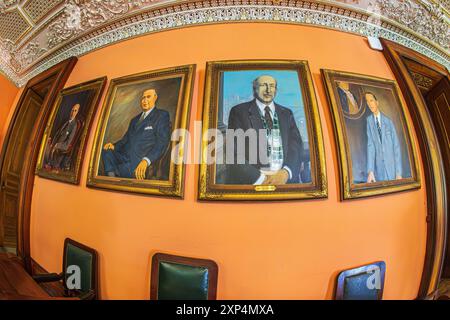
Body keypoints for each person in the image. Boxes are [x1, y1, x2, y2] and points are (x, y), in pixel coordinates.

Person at [226, 75, 304, 185]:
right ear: (254, 89)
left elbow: (296, 146)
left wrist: (286, 173)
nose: (268, 90)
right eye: (263, 85)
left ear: (276, 90)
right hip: (254, 183)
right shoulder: (238, 112)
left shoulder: (287, 113)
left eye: (272, 86)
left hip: (285, 182)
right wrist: (262, 180)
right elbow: (233, 152)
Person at [101, 88, 171, 180]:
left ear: (155, 98)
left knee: (121, 170)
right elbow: (125, 139)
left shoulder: (161, 115)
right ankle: (111, 179)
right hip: (124, 156)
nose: (145, 100)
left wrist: (146, 160)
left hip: (139, 160)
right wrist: (114, 146)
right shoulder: (134, 120)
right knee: (106, 152)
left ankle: (112, 179)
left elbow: (162, 142)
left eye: (148, 97)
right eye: (143, 98)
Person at [365, 92, 402, 183]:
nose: (369, 104)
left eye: (371, 100)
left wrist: (398, 172)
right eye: (367, 102)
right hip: (379, 171)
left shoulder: (388, 121)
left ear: (377, 102)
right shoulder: (369, 121)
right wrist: (370, 170)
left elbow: (396, 147)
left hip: (392, 169)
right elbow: (371, 147)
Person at [44, 103, 82, 170]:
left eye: (75, 111)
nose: (73, 112)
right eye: (72, 110)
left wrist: (57, 145)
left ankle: (50, 163)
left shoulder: (74, 126)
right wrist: (51, 140)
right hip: (53, 144)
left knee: (44, 153)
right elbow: (58, 133)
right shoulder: (66, 121)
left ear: (77, 112)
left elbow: (68, 144)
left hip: (59, 149)